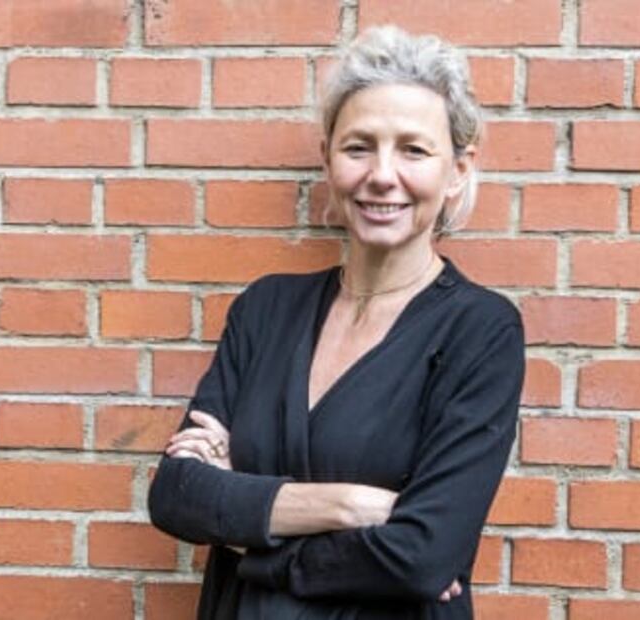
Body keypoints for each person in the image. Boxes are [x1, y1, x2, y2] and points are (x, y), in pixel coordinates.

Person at [149, 25, 525, 620]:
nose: (382, 175)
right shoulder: (265, 310)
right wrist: (350, 506)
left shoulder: (481, 331)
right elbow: (177, 495)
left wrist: (247, 528)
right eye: (359, 147)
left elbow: (423, 557)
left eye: (413, 150)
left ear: (457, 169)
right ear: (327, 158)